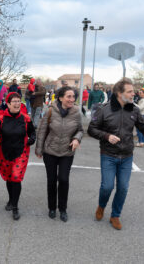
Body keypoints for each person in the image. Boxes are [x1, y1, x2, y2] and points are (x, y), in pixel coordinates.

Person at [88, 78, 144, 230]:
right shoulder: (103, 109)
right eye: (130, 91)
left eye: (133, 91)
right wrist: (107, 136)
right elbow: (91, 129)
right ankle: (101, 206)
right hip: (108, 154)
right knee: (107, 186)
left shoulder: (134, 109)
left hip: (126, 156)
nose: (134, 94)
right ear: (119, 93)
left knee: (123, 187)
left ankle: (115, 215)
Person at [35, 86, 83, 222]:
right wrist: (39, 149)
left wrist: (76, 139)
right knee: (51, 180)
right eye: (68, 96)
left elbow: (80, 130)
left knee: (63, 180)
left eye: (73, 97)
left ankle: (63, 209)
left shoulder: (76, 112)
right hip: (50, 151)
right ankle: (51, 207)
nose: (71, 99)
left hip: (67, 152)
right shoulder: (50, 111)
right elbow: (42, 130)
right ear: (60, 98)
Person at [0, 92, 36, 220]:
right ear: (8, 104)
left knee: (16, 177)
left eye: (18, 101)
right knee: (9, 178)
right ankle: (10, 200)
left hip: (21, 152)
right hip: (5, 151)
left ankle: (15, 207)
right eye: (14, 101)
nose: (17, 103)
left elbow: (32, 133)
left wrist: (31, 140)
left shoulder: (26, 118)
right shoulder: (1, 119)